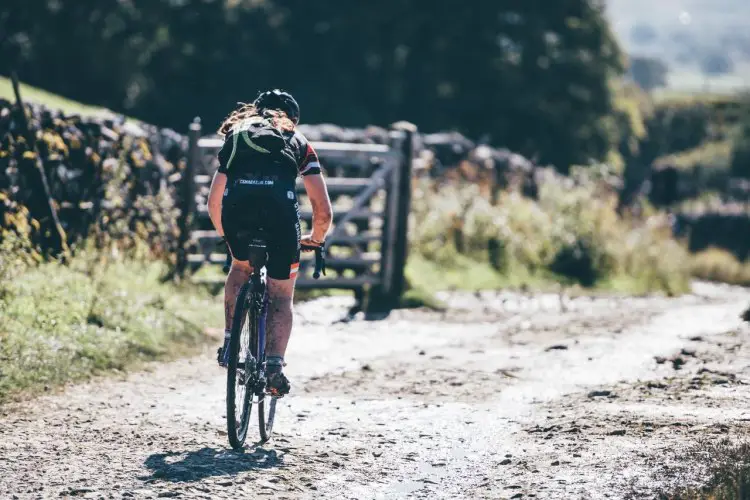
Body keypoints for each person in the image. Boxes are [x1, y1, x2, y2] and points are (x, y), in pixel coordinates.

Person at [206, 89, 333, 396]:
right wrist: (315, 240)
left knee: (239, 270)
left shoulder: (236, 136)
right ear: (293, 117)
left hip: (238, 216)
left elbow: (213, 202)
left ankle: (230, 344)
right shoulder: (298, 141)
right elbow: (323, 209)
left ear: (255, 110)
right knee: (280, 295)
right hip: (281, 222)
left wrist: (228, 236)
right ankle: (274, 368)